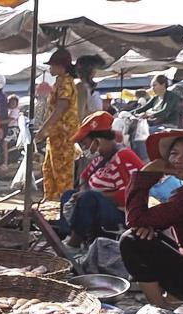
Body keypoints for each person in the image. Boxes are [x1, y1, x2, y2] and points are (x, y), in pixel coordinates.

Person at [120, 119, 183, 309]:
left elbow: (135, 218)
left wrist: (146, 173)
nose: (177, 160)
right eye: (174, 153)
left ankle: (162, 308)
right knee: (147, 232)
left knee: (132, 240)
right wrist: (149, 225)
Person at [59, 111, 144, 249]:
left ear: (97, 141)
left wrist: (94, 196)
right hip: (95, 206)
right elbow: (84, 176)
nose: (86, 149)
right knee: (68, 195)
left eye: (86, 144)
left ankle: (73, 244)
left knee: (89, 197)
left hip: (121, 217)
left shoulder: (125, 157)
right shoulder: (100, 159)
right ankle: (67, 236)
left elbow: (134, 194)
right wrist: (82, 190)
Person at [37, 48, 80, 202]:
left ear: (60, 66)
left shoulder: (66, 82)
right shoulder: (60, 81)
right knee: (49, 169)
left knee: (62, 173)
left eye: (52, 65)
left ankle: (63, 205)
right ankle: (50, 201)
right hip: (55, 135)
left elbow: (60, 109)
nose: (50, 68)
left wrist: (43, 129)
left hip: (63, 135)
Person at [75, 54, 104, 121]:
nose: (95, 72)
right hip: (87, 127)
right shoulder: (81, 87)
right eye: (94, 69)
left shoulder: (87, 88)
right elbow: (80, 114)